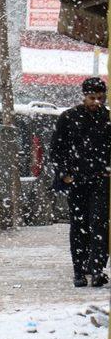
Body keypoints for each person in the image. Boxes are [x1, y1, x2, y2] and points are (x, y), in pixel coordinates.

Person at [51, 77, 111, 288]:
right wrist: (65, 173)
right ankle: (80, 270)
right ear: (84, 96)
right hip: (77, 179)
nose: (96, 102)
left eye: (100, 98)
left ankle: (96, 269)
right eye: (92, 98)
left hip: (99, 179)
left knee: (98, 224)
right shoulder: (69, 118)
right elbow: (57, 149)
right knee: (79, 225)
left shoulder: (107, 118)